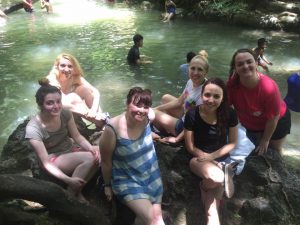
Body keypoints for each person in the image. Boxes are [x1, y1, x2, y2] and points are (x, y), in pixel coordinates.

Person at [25, 78, 101, 203]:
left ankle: (75, 190)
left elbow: (77, 137)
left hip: (70, 150)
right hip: (52, 160)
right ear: (40, 105)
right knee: (90, 158)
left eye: (58, 101)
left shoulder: (65, 113)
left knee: (101, 152)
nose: (56, 106)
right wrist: (68, 179)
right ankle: (73, 193)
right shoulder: (33, 128)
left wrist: (91, 148)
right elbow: (45, 163)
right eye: (50, 103)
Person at [99, 87, 165, 225]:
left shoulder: (149, 117)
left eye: (145, 107)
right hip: (127, 181)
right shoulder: (113, 129)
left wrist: (153, 135)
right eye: (137, 105)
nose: (141, 110)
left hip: (152, 177)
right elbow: (105, 161)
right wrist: (107, 185)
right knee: (156, 221)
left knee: (147, 219)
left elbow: (155, 111)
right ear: (127, 104)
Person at [184, 77, 238, 225]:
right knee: (218, 178)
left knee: (212, 211)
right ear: (201, 95)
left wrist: (213, 156)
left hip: (220, 158)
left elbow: (233, 142)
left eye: (216, 96)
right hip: (198, 159)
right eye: (207, 95)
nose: (210, 100)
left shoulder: (230, 114)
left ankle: (204, 188)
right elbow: (190, 146)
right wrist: (206, 158)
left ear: (223, 98)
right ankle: (217, 177)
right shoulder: (192, 114)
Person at [227, 48, 291, 155]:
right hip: (251, 123)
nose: (246, 66)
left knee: (275, 150)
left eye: (249, 62)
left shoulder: (269, 87)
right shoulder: (231, 85)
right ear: (235, 68)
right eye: (240, 64)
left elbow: (274, 117)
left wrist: (265, 140)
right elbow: (226, 107)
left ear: (256, 63)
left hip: (278, 120)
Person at [152, 51, 209, 144]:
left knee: (152, 113)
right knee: (165, 98)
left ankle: (165, 134)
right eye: (193, 68)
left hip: (188, 127)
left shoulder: (206, 92)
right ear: (188, 68)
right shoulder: (191, 82)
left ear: (206, 73)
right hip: (186, 113)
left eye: (200, 69)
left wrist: (177, 139)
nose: (195, 72)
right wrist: (157, 108)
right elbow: (179, 101)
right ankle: (169, 125)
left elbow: (197, 123)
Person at [46, 53, 109, 130]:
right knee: (73, 97)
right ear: (56, 67)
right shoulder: (51, 79)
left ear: (74, 68)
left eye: (70, 66)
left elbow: (96, 92)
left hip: (72, 109)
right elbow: (61, 102)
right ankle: (100, 121)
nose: (66, 69)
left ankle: (101, 118)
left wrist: (93, 110)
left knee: (84, 89)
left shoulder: (75, 77)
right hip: (56, 111)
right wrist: (86, 113)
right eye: (63, 65)